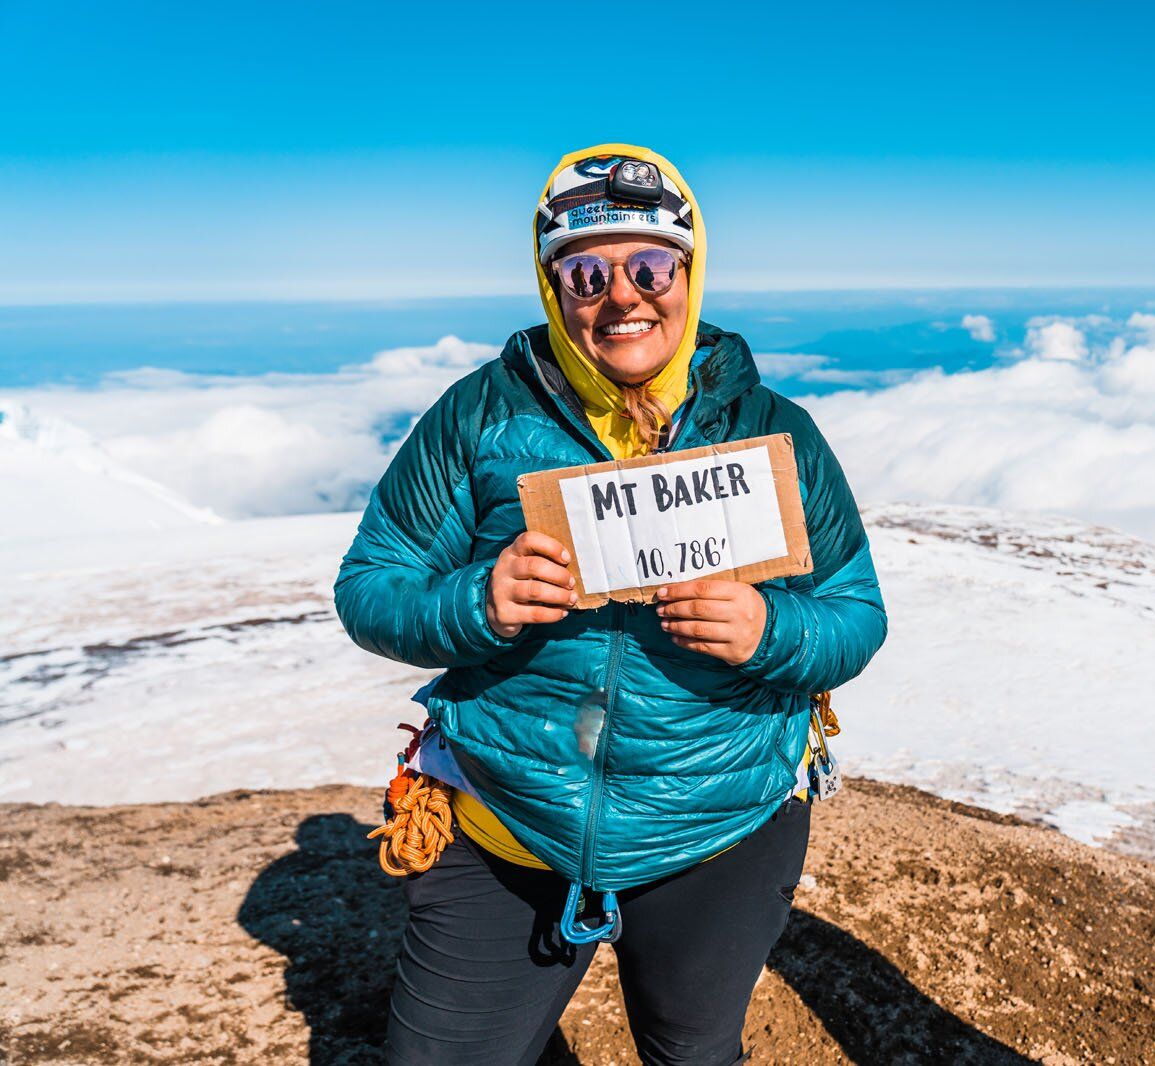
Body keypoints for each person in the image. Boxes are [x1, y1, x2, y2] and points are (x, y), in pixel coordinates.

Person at [334, 143, 888, 1065]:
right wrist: (482, 601)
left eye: (650, 266)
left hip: (717, 826)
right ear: (553, 288)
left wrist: (768, 629)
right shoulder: (477, 415)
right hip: (507, 821)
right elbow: (370, 587)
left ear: (688, 272)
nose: (622, 296)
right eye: (586, 273)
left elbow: (853, 612)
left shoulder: (771, 431)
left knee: (693, 1051)